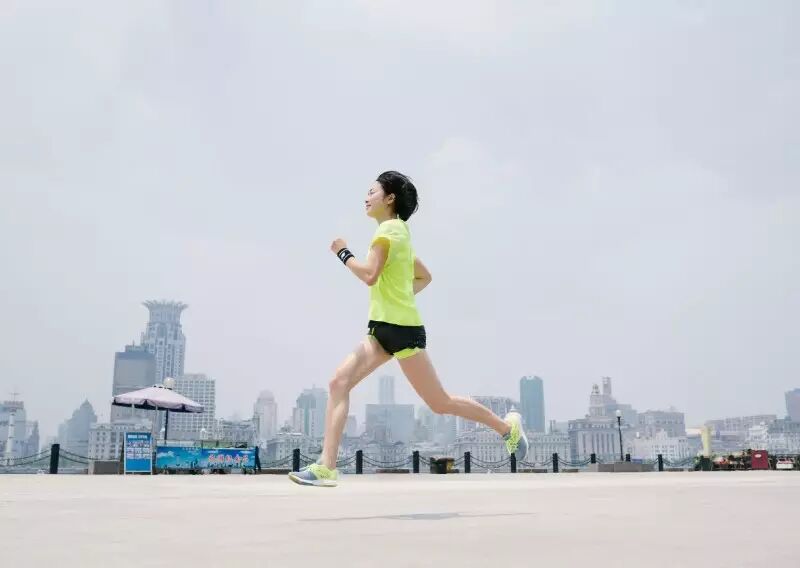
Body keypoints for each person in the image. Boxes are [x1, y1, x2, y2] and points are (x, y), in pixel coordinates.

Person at [289, 171, 528, 487]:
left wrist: (343, 252)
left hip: (402, 331)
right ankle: (326, 468)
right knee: (338, 382)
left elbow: (370, 275)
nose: (366, 197)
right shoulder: (399, 234)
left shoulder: (389, 230)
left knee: (440, 402)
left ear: (390, 198)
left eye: (372, 191)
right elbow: (424, 276)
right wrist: (400, 295)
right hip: (381, 330)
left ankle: (507, 428)